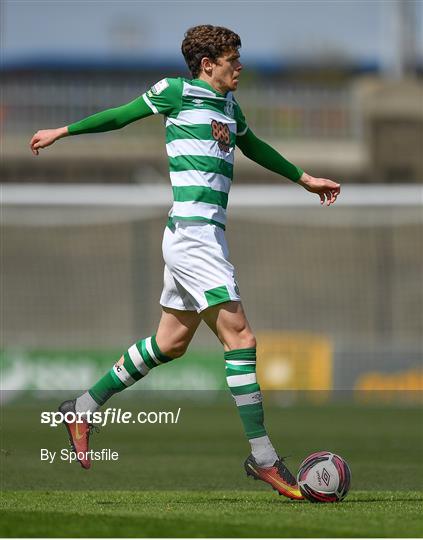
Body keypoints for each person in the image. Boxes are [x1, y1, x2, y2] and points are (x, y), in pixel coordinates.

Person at [30, 24, 340, 500]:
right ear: (207, 64)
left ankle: (84, 407)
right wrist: (61, 131)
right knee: (241, 337)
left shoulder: (230, 107)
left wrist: (304, 178)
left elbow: (251, 145)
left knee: (170, 343)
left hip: (202, 238)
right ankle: (264, 460)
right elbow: (120, 116)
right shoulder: (175, 92)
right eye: (232, 59)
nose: (240, 66)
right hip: (193, 236)